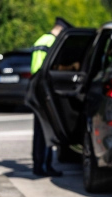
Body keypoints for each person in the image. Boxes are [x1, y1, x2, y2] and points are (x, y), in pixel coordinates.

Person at [30, 17, 73, 177]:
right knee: (44, 131)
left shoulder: (43, 39)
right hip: (43, 89)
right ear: (61, 30)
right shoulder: (50, 41)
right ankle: (41, 166)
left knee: (43, 130)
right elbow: (45, 68)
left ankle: (42, 165)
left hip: (39, 88)